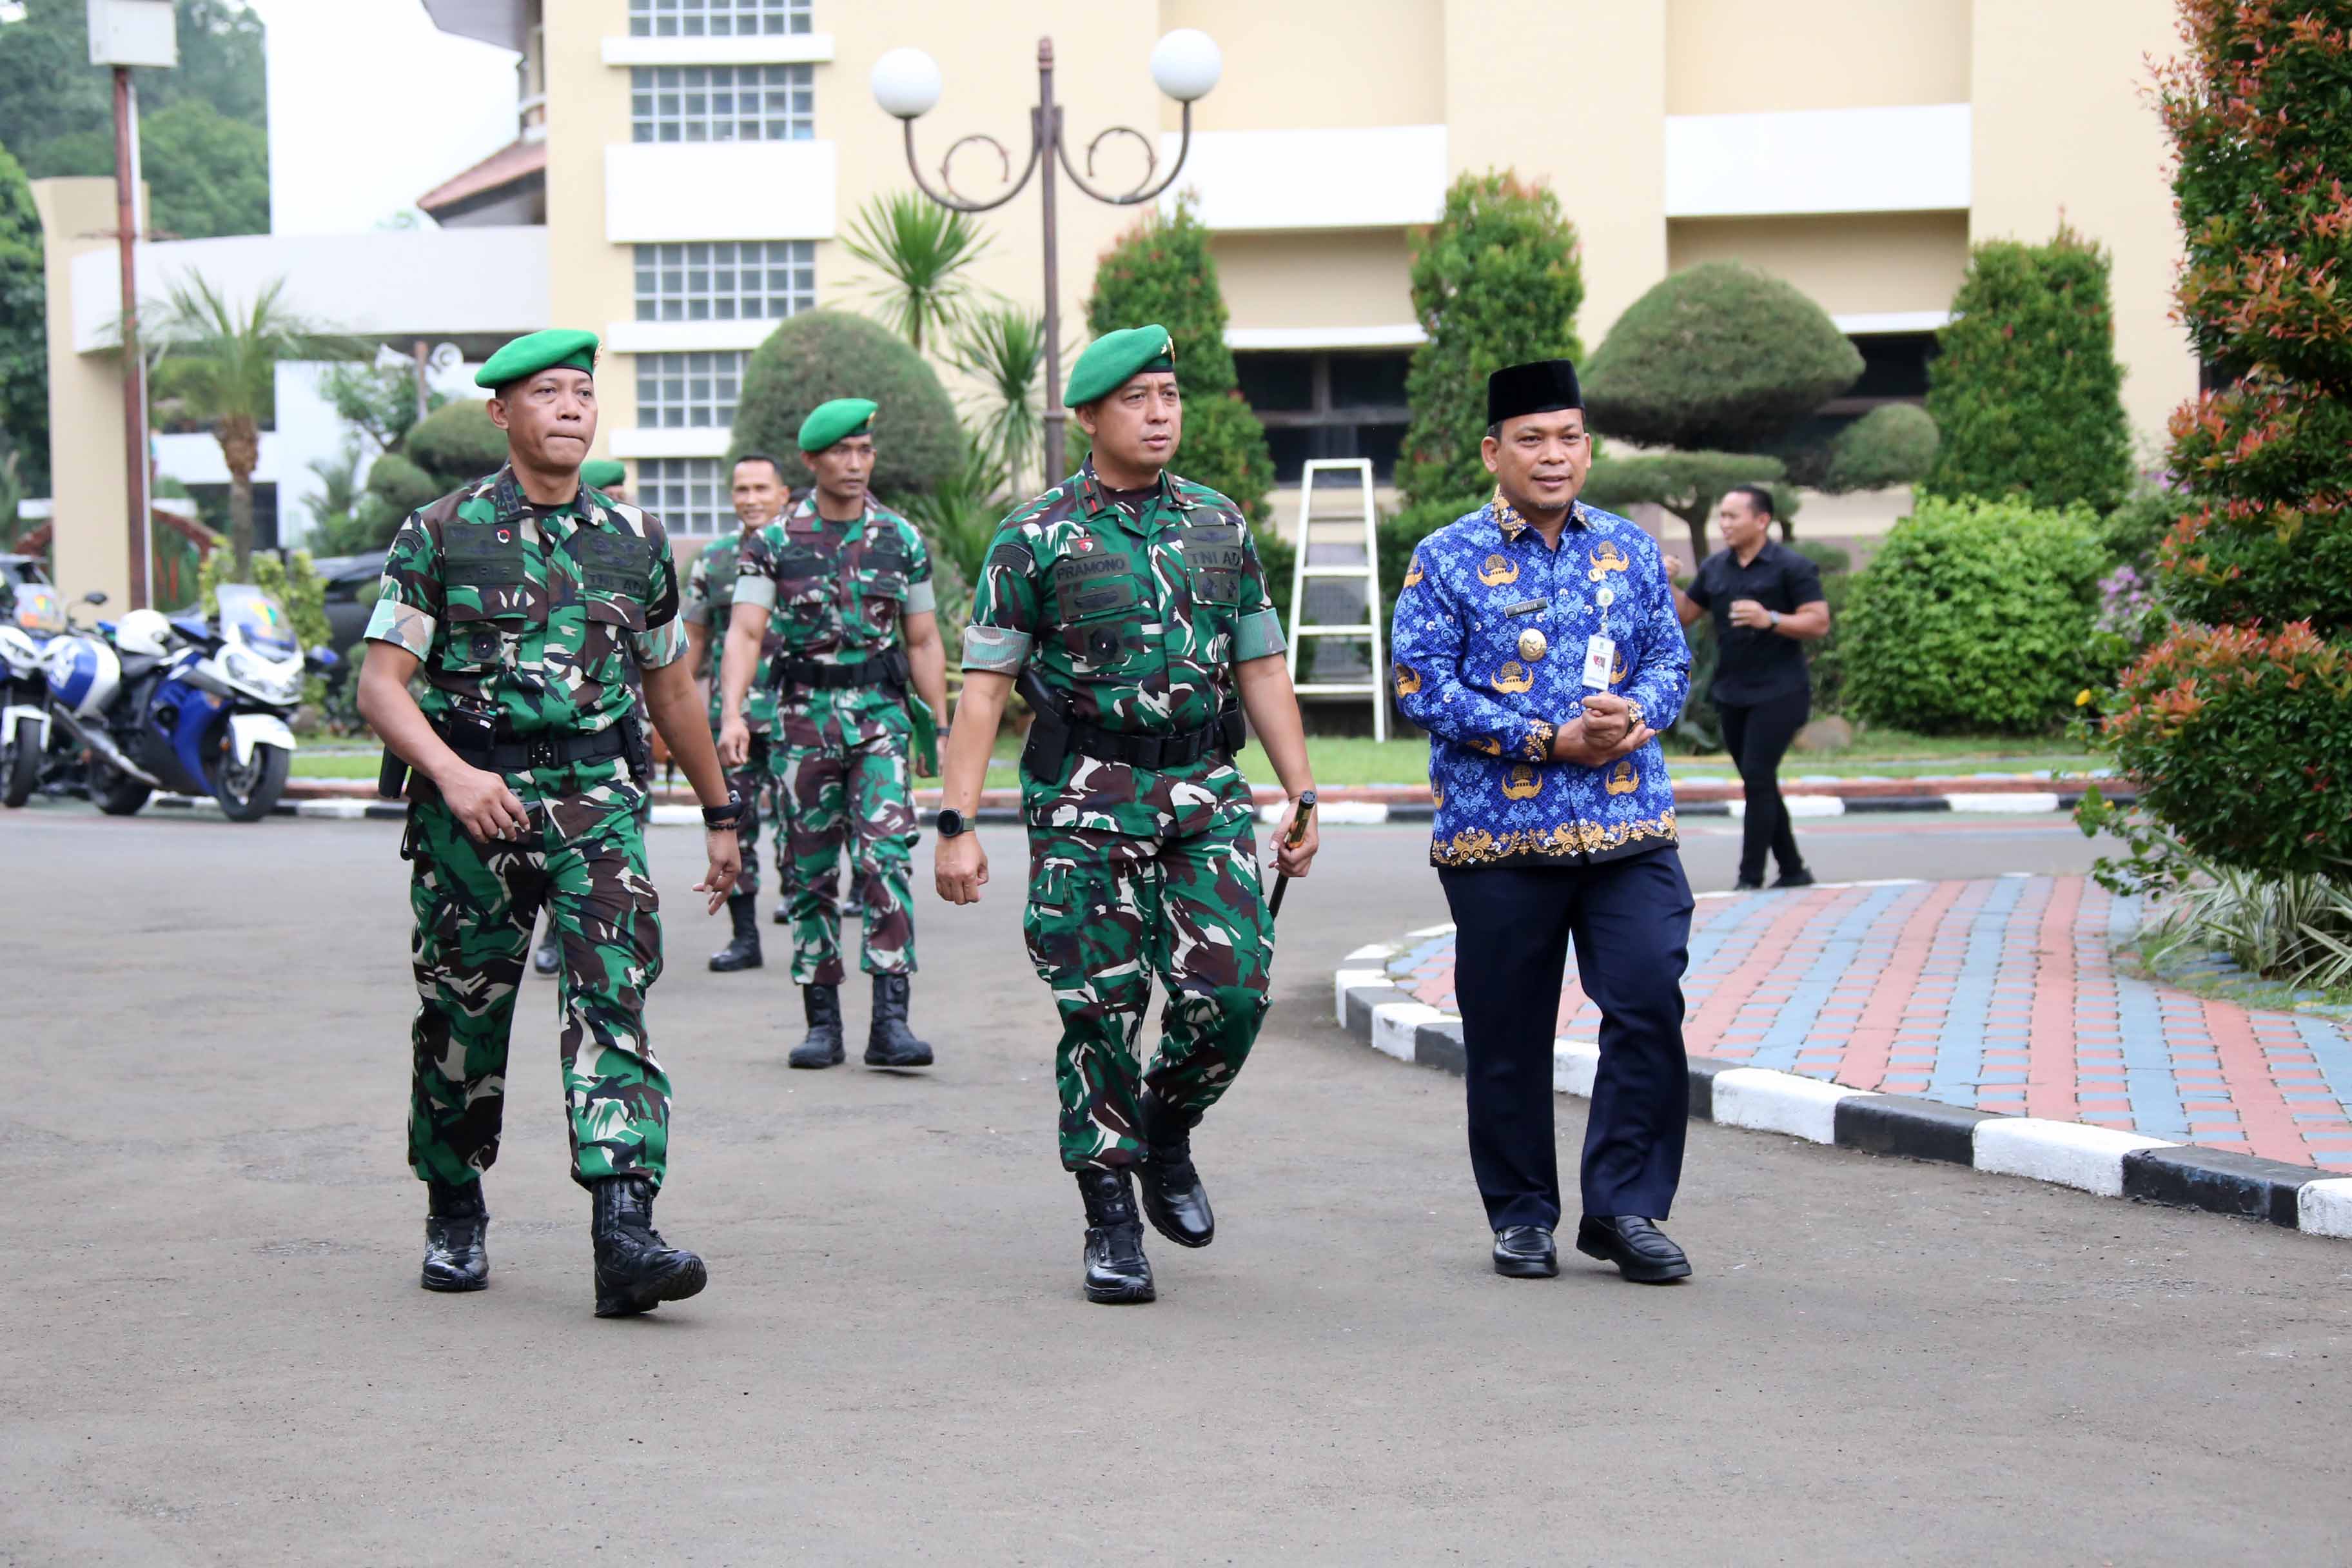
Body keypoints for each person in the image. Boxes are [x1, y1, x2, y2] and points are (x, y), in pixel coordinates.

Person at [355, 328, 747, 1318]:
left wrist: (720, 812)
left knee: (612, 1000)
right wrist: (449, 775)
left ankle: (625, 1232)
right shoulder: (440, 532)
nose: (572, 407)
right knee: (462, 1019)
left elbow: (672, 690)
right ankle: (454, 1202)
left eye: (583, 391)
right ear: (503, 413)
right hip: (472, 810)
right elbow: (382, 685)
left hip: (595, 805)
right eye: (548, 393)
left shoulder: (636, 540)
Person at [934, 324, 1319, 1306]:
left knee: (1234, 991)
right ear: (1091, 417)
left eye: (1170, 396)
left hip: (1204, 794)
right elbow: (985, 691)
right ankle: (1109, 1212)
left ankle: (1168, 1126)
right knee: (1098, 1011)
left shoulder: (1220, 525)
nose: (1161, 415)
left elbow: (1262, 665)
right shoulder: (1034, 536)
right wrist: (957, 822)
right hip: (1085, 803)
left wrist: (1301, 789)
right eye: (1139, 399)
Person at [1389, 358, 1697, 1286]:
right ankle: (1522, 1213)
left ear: (1589, 449)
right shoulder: (1443, 558)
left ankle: (1625, 1208)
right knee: (1509, 1031)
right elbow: (1420, 684)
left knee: (1648, 1001)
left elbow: (1670, 664)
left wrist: (1632, 717)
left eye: (1568, 437)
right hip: (1498, 837)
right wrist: (1541, 740)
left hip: (1626, 826)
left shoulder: (1631, 551)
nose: (1552, 455)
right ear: (1495, 452)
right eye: (1531, 439)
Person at [718, 398, 949, 1070]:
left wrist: (938, 721)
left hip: (878, 715)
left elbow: (925, 635)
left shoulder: (899, 538)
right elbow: (746, 631)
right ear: (813, 461)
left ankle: (891, 1020)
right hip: (801, 721)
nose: (855, 463)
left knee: (885, 859)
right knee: (809, 870)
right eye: (841, 451)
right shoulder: (776, 542)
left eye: (865, 450)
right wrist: (733, 713)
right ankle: (822, 1021)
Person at [1665, 485, 1830, 892]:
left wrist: (1769, 617)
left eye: (1732, 517)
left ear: (1762, 520)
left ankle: (1749, 877)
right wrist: (1662, 580)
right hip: (1732, 691)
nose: (1724, 524)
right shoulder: (1717, 567)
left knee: (1757, 777)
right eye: (1721, 517)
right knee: (1760, 783)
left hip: (1781, 691)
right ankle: (1793, 869)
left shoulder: (1792, 566)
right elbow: (1686, 613)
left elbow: (1818, 622)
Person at [683, 453, 791, 971]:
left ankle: (806, 913)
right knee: (734, 822)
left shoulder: (804, 550)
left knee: (803, 823)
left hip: (800, 712)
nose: (750, 499)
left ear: (783, 494)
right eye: (741, 489)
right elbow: (695, 642)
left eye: (760, 489)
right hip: (737, 717)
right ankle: (745, 938)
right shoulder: (714, 559)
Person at [532, 457, 636, 979]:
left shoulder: (634, 545)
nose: (616, 499)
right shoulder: (546, 549)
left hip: (615, 743)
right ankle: (555, 927)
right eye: (608, 490)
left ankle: (597, 927)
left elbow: (663, 660)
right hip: (534, 749)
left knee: (616, 844)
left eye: (623, 491)